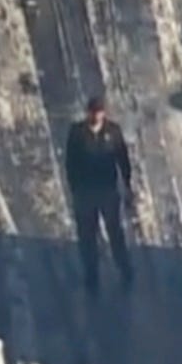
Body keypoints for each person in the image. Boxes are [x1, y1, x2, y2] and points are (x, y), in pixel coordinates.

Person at [64, 95, 135, 294]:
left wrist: (127, 185)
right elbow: (70, 163)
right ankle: (91, 274)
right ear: (88, 112)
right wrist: (75, 187)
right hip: (85, 193)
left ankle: (124, 268)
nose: (95, 115)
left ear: (103, 113)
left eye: (98, 112)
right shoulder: (77, 133)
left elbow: (123, 159)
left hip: (108, 191)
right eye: (92, 112)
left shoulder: (113, 132)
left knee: (115, 232)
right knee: (87, 236)